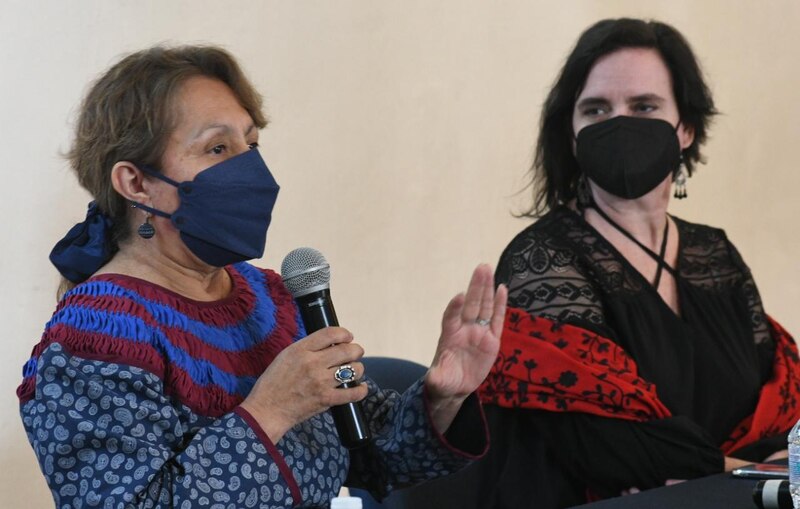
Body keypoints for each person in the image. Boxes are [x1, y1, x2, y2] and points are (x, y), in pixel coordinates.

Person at [16, 45, 508, 508]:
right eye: (217, 148)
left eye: (250, 143)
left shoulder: (270, 295)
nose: (251, 168)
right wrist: (270, 412)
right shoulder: (96, 335)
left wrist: (442, 395)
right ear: (136, 183)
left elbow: (372, 454)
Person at [473, 18, 800, 507]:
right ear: (573, 130)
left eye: (644, 106)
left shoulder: (716, 254)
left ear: (685, 128)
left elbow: (779, 414)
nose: (618, 123)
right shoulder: (540, 259)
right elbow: (607, 449)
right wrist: (744, 471)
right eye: (596, 109)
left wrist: (714, 475)